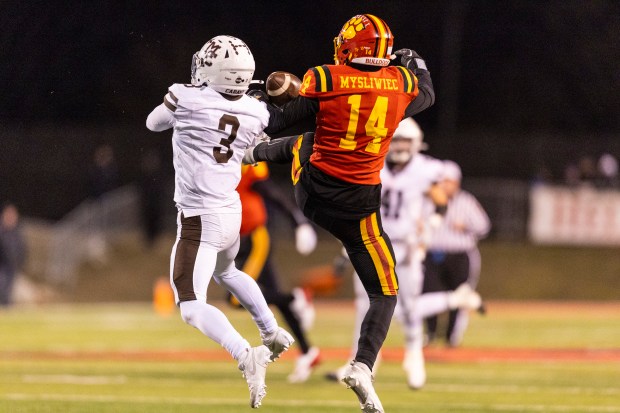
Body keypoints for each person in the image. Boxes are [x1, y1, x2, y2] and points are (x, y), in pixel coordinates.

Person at [244, 14, 435, 412]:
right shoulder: (400, 83)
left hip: (316, 194)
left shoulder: (326, 78)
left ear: (350, 47)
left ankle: (252, 152)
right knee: (385, 292)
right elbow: (427, 93)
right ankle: (363, 365)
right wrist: (412, 59)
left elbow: (283, 119)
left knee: (305, 142)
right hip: (362, 207)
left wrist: (260, 102)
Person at [145, 35, 295, 409]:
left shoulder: (186, 97)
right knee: (228, 272)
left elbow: (153, 123)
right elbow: (246, 152)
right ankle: (272, 332)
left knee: (191, 306)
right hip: (232, 211)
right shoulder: (257, 112)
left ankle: (247, 354)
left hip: (200, 216)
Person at [325, 118, 482, 390]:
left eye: (404, 141)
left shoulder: (425, 169)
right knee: (364, 305)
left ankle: (414, 354)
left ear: (416, 144)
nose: (398, 146)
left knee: (409, 306)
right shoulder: (372, 163)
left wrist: (431, 227)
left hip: (407, 246)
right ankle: (360, 360)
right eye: (395, 140)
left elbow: (441, 201)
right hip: (373, 242)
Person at [231, 161, 320, 383]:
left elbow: (270, 191)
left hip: (254, 237)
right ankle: (308, 351)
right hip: (236, 239)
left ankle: (297, 297)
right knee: (275, 297)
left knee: (235, 298)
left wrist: (297, 221)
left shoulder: (243, 160)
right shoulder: (213, 158)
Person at [422, 160, 491, 348]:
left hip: (459, 256)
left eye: (448, 181)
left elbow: (484, 226)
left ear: (457, 182)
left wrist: (466, 226)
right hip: (432, 255)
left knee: (459, 296)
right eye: (441, 181)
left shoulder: (466, 201)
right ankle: (430, 335)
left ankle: (452, 338)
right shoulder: (427, 201)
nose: (444, 185)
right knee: (429, 294)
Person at [0, 203, 27, 307]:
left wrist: (20, 262)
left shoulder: (17, 232)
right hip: (2, 266)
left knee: (8, 291)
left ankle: (5, 311)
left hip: (12, 267)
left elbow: (22, 249)